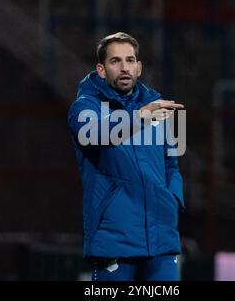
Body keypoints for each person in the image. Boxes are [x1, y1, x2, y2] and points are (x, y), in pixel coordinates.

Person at [68, 32, 185, 281]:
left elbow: (171, 163)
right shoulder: (85, 108)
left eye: (130, 60)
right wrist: (140, 116)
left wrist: (172, 200)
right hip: (114, 238)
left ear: (139, 67)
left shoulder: (156, 106)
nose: (124, 68)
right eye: (115, 61)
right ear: (101, 69)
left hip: (161, 237)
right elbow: (95, 135)